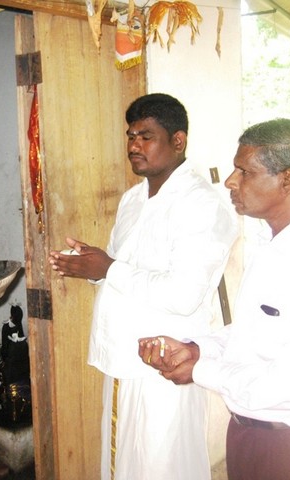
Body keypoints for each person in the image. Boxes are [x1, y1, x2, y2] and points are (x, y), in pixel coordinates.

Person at [139, 118, 290, 480]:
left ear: (287, 179)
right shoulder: (272, 246)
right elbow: (252, 334)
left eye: (245, 171)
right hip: (249, 431)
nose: (231, 181)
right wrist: (198, 349)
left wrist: (201, 370)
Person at [49, 93, 238, 480]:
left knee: (162, 467)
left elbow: (183, 295)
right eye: (131, 136)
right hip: (122, 356)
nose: (134, 146)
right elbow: (120, 268)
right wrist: (91, 267)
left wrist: (109, 267)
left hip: (164, 365)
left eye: (146, 136)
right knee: (121, 466)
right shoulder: (132, 199)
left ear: (178, 141)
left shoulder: (202, 204)